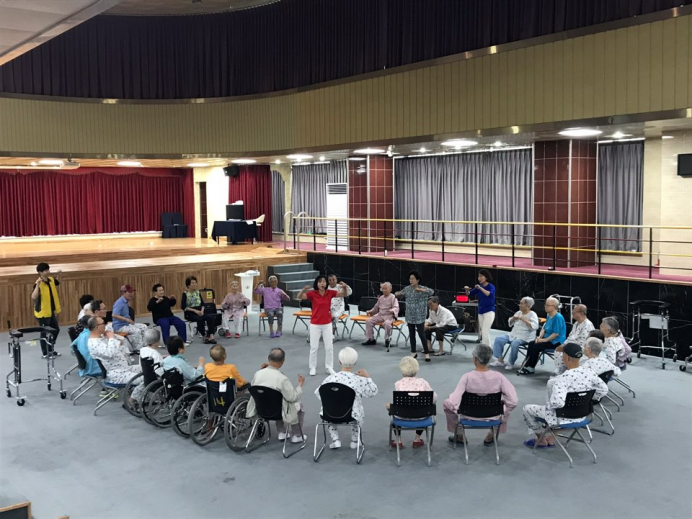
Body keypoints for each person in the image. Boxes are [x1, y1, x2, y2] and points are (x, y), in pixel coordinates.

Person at [522, 343, 608, 448]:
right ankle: (552, 438)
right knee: (566, 412)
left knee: (527, 409)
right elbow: (604, 389)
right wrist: (589, 400)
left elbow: (557, 403)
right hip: (582, 415)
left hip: (562, 418)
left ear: (566, 357)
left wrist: (550, 400)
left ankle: (541, 439)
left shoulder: (563, 378)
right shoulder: (590, 373)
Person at [444, 344, 518, 445]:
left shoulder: (467, 377)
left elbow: (453, 402)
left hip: (468, 414)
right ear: (489, 359)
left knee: (447, 403)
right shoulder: (499, 377)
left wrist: (455, 404)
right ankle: (492, 434)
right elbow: (513, 401)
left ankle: (460, 435)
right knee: (505, 406)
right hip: (494, 415)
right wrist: (503, 409)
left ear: (475, 359)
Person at [315, 347, 377, 449]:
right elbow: (373, 391)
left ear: (339, 361)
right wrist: (367, 377)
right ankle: (355, 441)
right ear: (355, 362)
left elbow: (319, 394)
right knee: (358, 409)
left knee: (328, 408)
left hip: (330, 414)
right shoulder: (359, 380)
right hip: (351, 415)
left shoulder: (329, 379)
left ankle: (335, 440)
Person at [246, 348, 306, 443]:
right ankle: (297, 435)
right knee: (297, 404)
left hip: (260, 409)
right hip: (278, 412)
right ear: (283, 361)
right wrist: (300, 385)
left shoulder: (258, 373)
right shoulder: (282, 378)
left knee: (275, 398)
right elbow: (293, 397)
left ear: (269, 358)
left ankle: (282, 432)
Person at [297, 275, 351, 376]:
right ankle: (312, 367)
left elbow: (343, 294)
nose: (322, 283)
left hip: (327, 324)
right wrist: (304, 289)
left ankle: (329, 367)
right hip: (315, 324)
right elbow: (299, 297)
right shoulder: (313, 293)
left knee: (329, 347)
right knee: (314, 347)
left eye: (324, 282)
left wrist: (344, 287)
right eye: (320, 282)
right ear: (317, 283)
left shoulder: (330, 293)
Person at [87, 316, 144, 401]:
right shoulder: (94, 344)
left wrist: (112, 336)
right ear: (96, 327)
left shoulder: (102, 337)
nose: (105, 325)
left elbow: (122, 341)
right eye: (103, 323)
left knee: (149, 368)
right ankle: (132, 400)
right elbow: (111, 353)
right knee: (146, 379)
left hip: (124, 367)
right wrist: (111, 338)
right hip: (117, 375)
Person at [386, 356, 437, 449]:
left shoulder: (398, 384)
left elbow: (398, 403)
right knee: (423, 409)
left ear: (402, 370)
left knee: (391, 408)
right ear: (417, 369)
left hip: (402, 415)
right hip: (421, 416)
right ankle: (417, 439)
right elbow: (434, 398)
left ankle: (398, 440)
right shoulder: (423, 382)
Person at [517, 297, 566, 375]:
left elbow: (556, 334)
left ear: (553, 307)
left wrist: (543, 340)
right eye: (545, 305)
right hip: (547, 339)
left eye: (547, 305)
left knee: (537, 346)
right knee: (531, 343)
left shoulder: (558, 317)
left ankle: (531, 367)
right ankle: (527, 364)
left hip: (556, 341)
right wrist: (539, 337)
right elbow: (544, 328)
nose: (545, 306)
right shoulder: (549, 315)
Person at [490, 296, 539, 370]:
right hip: (513, 334)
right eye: (520, 303)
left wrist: (525, 320)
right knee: (498, 339)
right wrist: (513, 318)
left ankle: (511, 363)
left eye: (521, 303)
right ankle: (500, 360)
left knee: (515, 343)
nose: (519, 305)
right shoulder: (519, 312)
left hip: (525, 337)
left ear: (528, 306)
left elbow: (535, 326)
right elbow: (510, 322)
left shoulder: (533, 314)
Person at [395, 271, 434, 361]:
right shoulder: (407, 289)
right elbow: (399, 293)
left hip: (420, 316)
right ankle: (413, 352)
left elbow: (432, 292)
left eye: (413, 279)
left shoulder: (423, 288)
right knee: (412, 334)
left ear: (418, 280)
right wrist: (397, 293)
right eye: (410, 279)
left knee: (421, 334)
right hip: (410, 315)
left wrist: (421, 290)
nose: (411, 280)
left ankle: (427, 353)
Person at [552, 305, 596, 375]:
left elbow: (583, 343)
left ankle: (565, 373)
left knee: (561, 352)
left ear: (581, 313)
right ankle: (562, 372)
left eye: (574, 312)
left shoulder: (587, 325)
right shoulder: (576, 323)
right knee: (558, 350)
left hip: (582, 349)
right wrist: (564, 345)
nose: (572, 313)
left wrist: (566, 347)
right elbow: (570, 337)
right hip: (571, 345)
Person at [30, 262, 62, 357]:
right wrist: (37, 285)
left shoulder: (51, 279)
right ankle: (45, 353)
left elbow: (58, 282)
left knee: (55, 330)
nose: (48, 271)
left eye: (48, 269)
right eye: (46, 270)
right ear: (40, 272)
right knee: (44, 333)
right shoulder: (38, 283)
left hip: (50, 311)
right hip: (42, 313)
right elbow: (33, 296)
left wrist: (59, 275)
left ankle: (50, 349)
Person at [361, 282, 399, 351]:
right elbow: (376, 307)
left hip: (389, 315)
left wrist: (392, 310)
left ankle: (387, 339)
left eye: (385, 289)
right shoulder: (381, 298)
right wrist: (371, 311)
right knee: (368, 321)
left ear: (390, 289)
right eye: (382, 289)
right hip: (380, 314)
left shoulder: (393, 297)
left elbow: (396, 307)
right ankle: (371, 339)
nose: (384, 290)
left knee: (387, 324)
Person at [464, 269, 496, 348]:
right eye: (479, 276)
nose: (479, 278)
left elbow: (489, 294)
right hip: (481, 311)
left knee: (485, 332)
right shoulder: (479, 287)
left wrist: (480, 288)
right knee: (483, 332)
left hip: (489, 311)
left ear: (486, 277)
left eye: (481, 276)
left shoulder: (490, 286)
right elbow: (469, 294)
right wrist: (467, 290)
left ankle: (487, 349)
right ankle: (485, 348)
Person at [181, 276, 217, 344]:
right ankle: (204, 336)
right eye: (192, 283)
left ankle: (211, 335)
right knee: (200, 319)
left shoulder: (197, 292)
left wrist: (202, 310)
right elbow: (183, 307)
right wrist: (195, 311)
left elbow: (202, 303)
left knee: (210, 318)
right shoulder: (185, 293)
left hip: (200, 310)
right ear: (188, 285)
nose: (194, 284)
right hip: (190, 312)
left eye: (195, 283)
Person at [112, 284, 149, 350]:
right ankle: (138, 349)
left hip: (126, 325)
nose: (132, 294)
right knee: (136, 331)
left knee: (144, 327)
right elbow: (114, 315)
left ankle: (145, 346)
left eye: (132, 292)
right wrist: (126, 319)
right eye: (130, 292)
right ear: (124, 292)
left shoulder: (126, 302)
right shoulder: (119, 302)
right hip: (119, 327)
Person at [327, 273, 352, 339]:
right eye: (330, 280)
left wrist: (345, 286)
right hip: (328, 308)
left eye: (333, 280)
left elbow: (349, 292)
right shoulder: (327, 288)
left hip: (339, 308)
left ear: (336, 280)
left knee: (333, 316)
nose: (332, 281)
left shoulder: (340, 287)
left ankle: (332, 333)